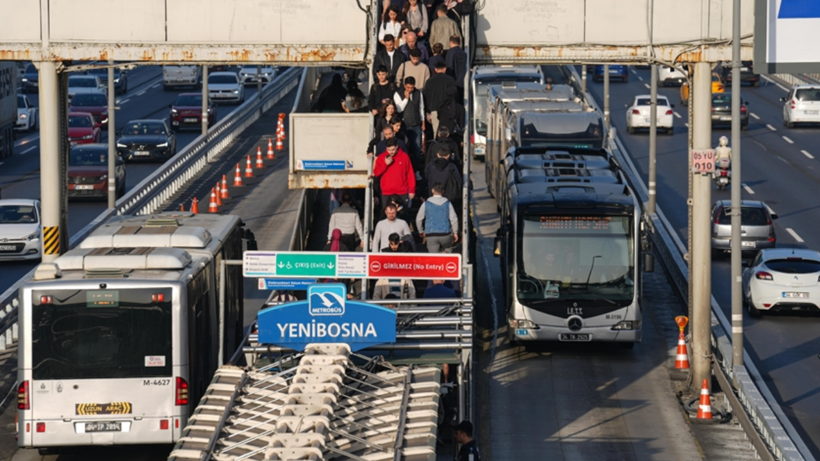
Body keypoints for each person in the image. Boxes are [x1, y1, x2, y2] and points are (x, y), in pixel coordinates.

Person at [372, 138, 416, 209]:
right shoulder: (381, 157)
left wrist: (412, 190)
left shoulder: (404, 157)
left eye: (393, 149)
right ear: (386, 148)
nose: (391, 152)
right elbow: (376, 173)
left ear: (397, 147)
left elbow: (410, 174)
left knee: (402, 214)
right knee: (387, 214)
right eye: (389, 150)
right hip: (386, 192)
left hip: (402, 192)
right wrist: (385, 164)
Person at [394, 76, 426, 172]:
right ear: (404, 85)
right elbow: (399, 109)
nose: (410, 89)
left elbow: (421, 108)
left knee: (416, 149)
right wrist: (406, 98)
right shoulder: (397, 94)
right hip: (404, 125)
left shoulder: (418, 93)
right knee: (404, 148)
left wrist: (423, 122)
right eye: (408, 87)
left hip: (416, 124)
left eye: (412, 87)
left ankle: (416, 171)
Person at [416, 182, 459, 253]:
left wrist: (421, 231)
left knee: (434, 258)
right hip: (445, 234)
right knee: (448, 253)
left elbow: (418, 219)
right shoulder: (448, 203)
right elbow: (454, 219)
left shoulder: (426, 204)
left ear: (432, 190)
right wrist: (455, 232)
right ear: (443, 191)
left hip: (431, 234)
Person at [423, 61, 456, 134]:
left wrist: (428, 112)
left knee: (437, 132)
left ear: (435, 69)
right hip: (447, 110)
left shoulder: (429, 81)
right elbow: (454, 95)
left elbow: (426, 97)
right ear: (445, 69)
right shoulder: (450, 80)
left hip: (434, 110)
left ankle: (437, 145)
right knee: (447, 132)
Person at [445, 35, 467, 100]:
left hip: (453, 82)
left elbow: (449, 66)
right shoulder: (464, 53)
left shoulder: (451, 52)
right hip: (462, 82)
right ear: (459, 43)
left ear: (450, 42)